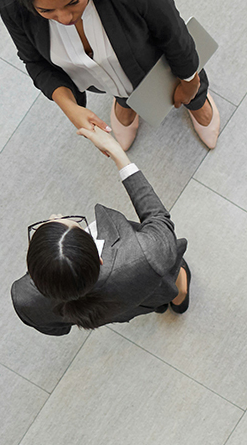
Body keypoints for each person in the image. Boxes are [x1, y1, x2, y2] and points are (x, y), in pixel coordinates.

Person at [0, 0, 220, 150]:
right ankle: (125, 100)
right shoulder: (12, 8)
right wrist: (71, 109)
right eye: (46, 11)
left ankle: (198, 101)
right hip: (103, 80)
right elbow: (35, 62)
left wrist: (190, 83)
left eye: (73, 1)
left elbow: (174, 36)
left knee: (187, 82)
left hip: (157, 66)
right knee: (117, 80)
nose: (65, 18)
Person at [14, 124, 191, 335]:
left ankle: (165, 301)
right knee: (170, 277)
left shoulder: (25, 300)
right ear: (99, 259)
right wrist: (117, 153)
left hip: (127, 309)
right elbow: (158, 219)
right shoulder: (145, 255)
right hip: (154, 284)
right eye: (71, 222)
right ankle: (179, 293)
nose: (55, 215)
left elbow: (58, 329)